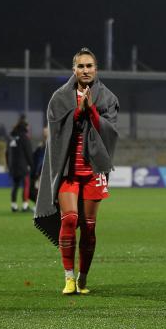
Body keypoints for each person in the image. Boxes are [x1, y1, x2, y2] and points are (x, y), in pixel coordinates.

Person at [34, 48, 119, 296]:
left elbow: (111, 132)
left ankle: (83, 278)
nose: (85, 70)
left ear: (96, 69)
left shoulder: (108, 98)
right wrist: (77, 112)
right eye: (81, 66)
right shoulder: (60, 97)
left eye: (89, 66)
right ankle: (68, 277)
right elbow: (56, 131)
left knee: (89, 227)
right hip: (68, 170)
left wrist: (91, 110)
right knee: (69, 219)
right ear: (73, 70)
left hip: (93, 170)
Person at [6, 116, 33, 212]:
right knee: (26, 184)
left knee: (15, 185)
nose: (28, 129)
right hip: (23, 166)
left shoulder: (10, 137)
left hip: (13, 166)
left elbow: (7, 153)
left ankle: (13, 206)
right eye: (28, 127)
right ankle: (25, 206)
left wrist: (9, 165)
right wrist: (32, 165)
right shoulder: (24, 137)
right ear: (24, 127)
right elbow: (28, 153)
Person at [29, 127, 48, 204]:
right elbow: (35, 158)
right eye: (44, 132)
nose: (44, 133)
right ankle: (39, 206)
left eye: (46, 131)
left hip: (47, 172)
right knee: (35, 191)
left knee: (42, 191)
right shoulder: (40, 146)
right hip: (39, 171)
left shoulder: (53, 145)